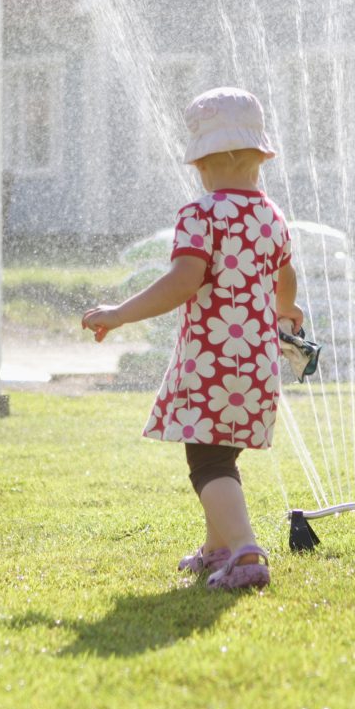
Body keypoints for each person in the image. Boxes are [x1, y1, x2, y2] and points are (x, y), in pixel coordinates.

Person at [82, 88, 304, 590]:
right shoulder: (272, 216)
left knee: (207, 461)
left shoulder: (201, 215)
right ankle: (217, 548)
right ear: (259, 156)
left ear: (205, 161)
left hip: (211, 363)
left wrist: (119, 313)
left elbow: (184, 282)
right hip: (258, 364)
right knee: (221, 456)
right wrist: (287, 311)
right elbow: (285, 280)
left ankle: (246, 554)